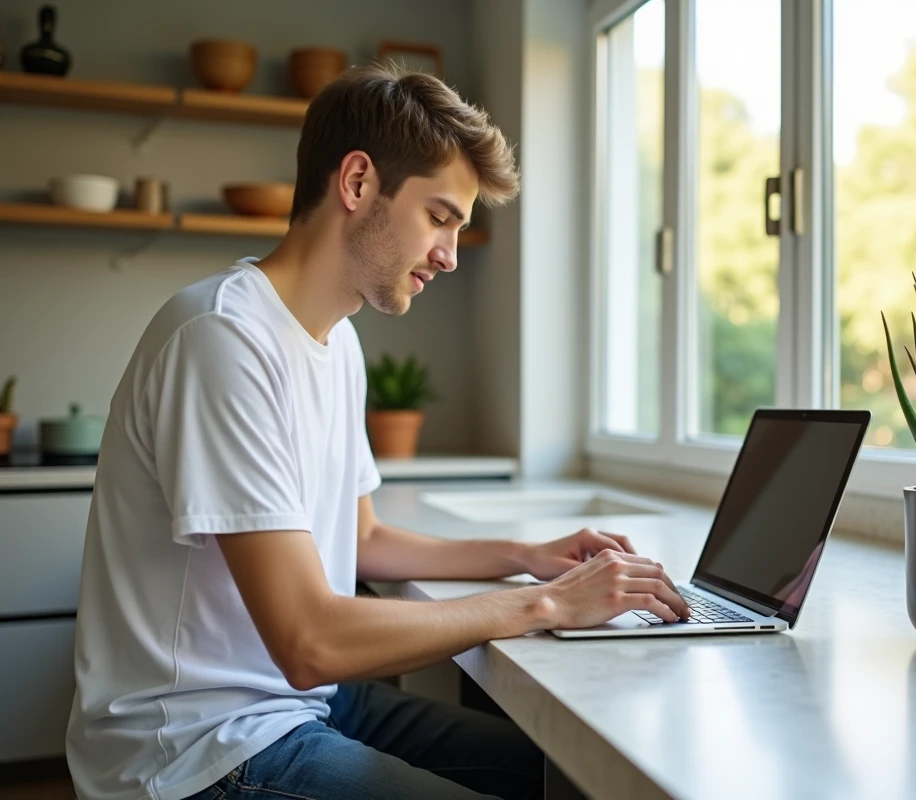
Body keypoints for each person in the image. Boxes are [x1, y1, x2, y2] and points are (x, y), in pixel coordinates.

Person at [65, 63, 690, 800]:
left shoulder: (338, 340)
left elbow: (361, 540)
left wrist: (530, 556)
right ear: (358, 183)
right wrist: (547, 604)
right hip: (196, 747)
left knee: (562, 775)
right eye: (439, 218)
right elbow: (308, 640)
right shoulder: (222, 338)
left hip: (296, 702)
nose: (450, 255)